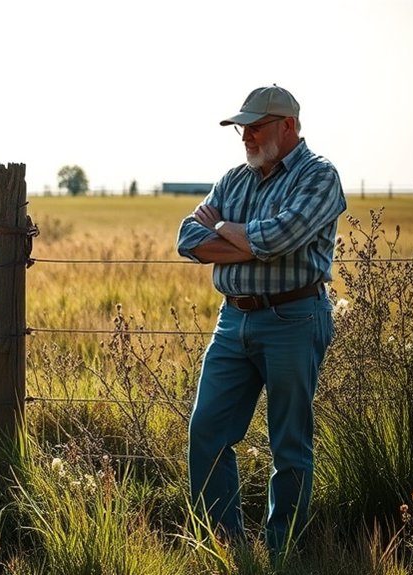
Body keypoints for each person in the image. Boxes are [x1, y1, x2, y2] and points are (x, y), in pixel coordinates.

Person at [176, 85, 346, 554]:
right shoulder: (235, 178)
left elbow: (279, 237)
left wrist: (221, 229)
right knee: (207, 429)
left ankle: (281, 549)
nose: (245, 136)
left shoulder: (319, 176)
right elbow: (185, 239)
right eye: (241, 128)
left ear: (288, 126)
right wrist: (246, 241)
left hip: (294, 318)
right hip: (233, 322)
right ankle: (225, 544)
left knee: (288, 442)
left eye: (255, 127)